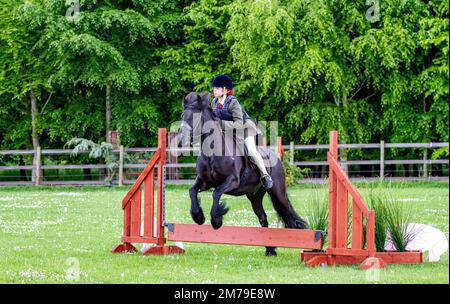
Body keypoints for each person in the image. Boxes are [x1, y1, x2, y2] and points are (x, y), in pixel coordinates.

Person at [210, 74, 274, 189]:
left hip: (245, 128)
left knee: (251, 150)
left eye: (217, 88)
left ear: (225, 90)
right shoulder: (214, 102)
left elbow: (238, 124)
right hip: (229, 130)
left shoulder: (233, 102)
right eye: (214, 88)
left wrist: (220, 124)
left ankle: (265, 175)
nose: (214, 90)